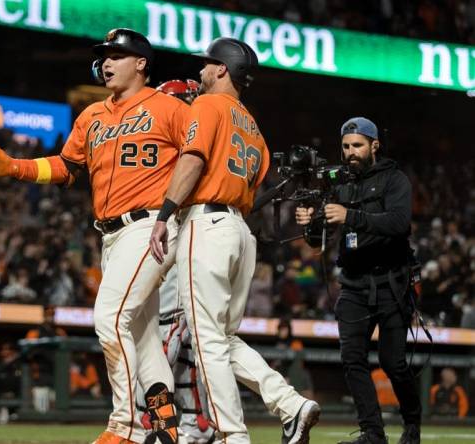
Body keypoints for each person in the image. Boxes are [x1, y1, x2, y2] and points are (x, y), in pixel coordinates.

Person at [0, 28, 188, 444]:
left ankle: (125, 428)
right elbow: (66, 166)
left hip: (150, 226)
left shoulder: (169, 108)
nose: (107, 61)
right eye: (104, 55)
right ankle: (167, 428)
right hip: (111, 236)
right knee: (141, 335)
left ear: (141, 63)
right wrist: (17, 168)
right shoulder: (92, 115)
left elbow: (200, 157)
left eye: (117, 54)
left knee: (110, 320)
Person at [149, 38, 320, 444]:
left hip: (206, 224)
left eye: (208, 64)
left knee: (208, 342)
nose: (202, 70)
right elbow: (258, 187)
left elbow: (193, 160)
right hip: (240, 230)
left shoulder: (207, 106)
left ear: (223, 69)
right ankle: (291, 404)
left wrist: (164, 213)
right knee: (223, 339)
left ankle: (232, 436)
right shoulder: (251, 124)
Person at [296, 117, 421, 444]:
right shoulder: (340, 184)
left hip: (392, 284)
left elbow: (399, 223)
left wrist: (351, 215)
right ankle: (372, 433)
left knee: (393, 363)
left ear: (374, 145)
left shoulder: (395, 179)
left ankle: (412, 425)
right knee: (352, 359)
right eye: (346, 146)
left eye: (358, 145)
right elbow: (317, 241)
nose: (351, 152)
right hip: (353, 284)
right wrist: (310, 224)